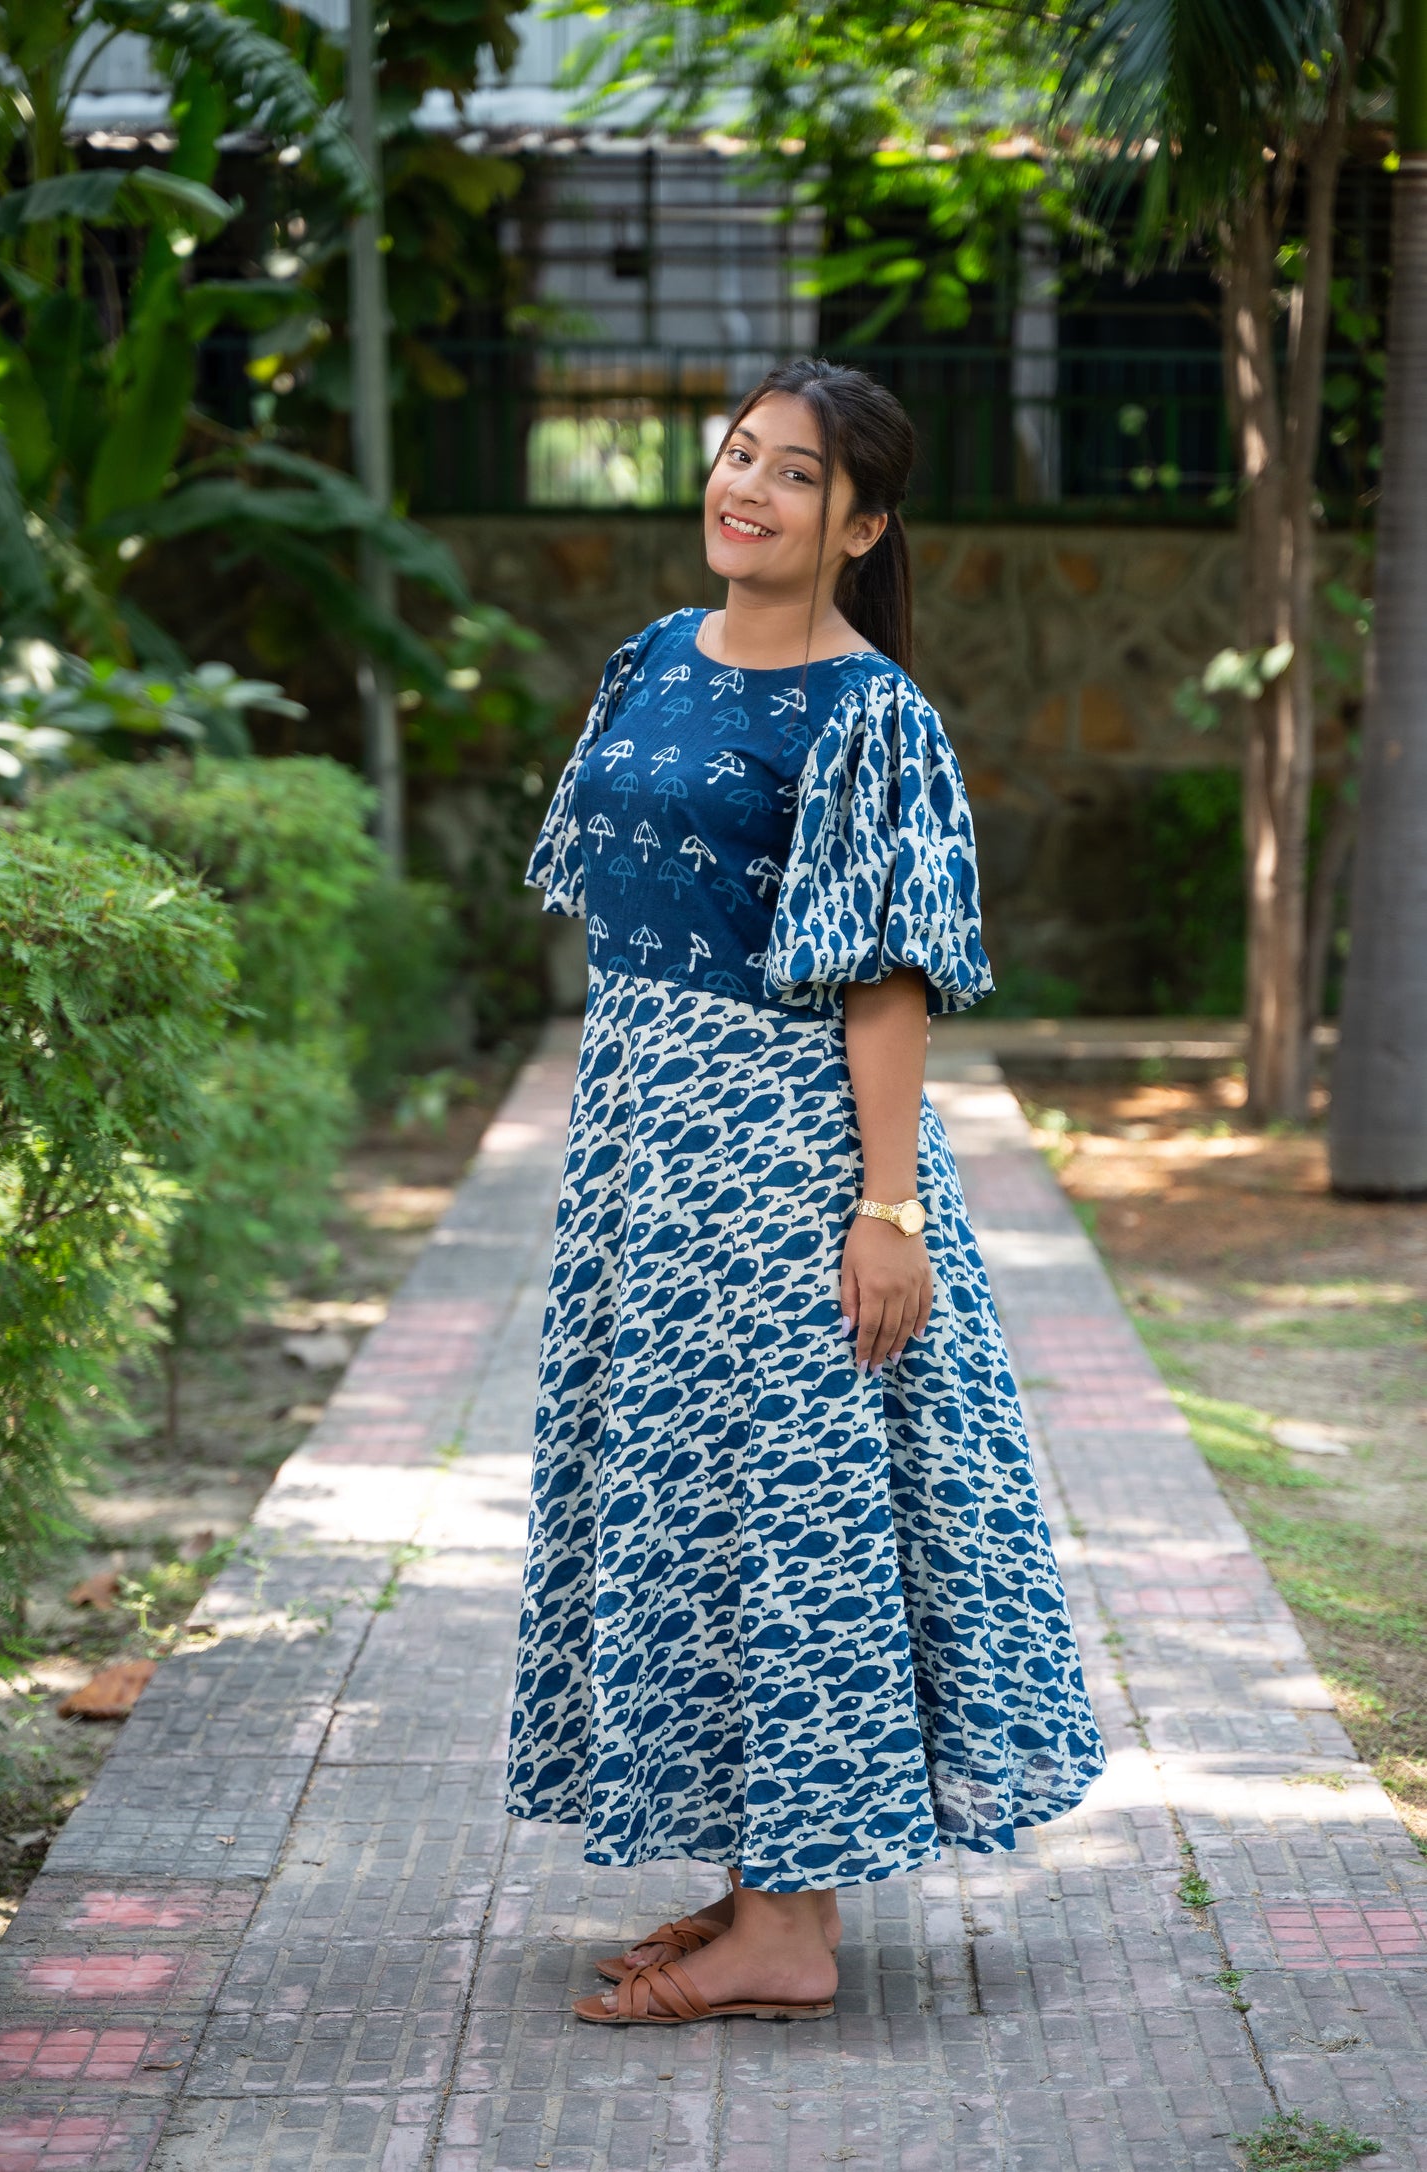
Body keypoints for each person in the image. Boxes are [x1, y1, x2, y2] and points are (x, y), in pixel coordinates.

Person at [507, 357, 1105, 2027]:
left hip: (780, 1162)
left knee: (799, 1515)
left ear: (862, 524)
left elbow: (887, 983)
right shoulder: (651, 660)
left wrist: (886, 1209)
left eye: (791, 474)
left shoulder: (871, 716)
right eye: (736, 454)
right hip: (639, 1152)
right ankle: (754, 1884)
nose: (745, 489)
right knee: (694, 1507)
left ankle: (793, 1935)